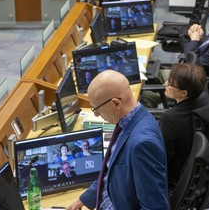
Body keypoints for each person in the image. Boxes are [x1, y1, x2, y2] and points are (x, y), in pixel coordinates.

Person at [67, 70, 169, 210]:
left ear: (116, 104)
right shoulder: (130, 120)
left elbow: (155, 207)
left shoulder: (142, 144)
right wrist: (85, 199)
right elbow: (112, 170)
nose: (96, 115)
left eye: (97, 109)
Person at [141, 5, 209, 107]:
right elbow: (196, 53)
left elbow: (193, 66)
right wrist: (195, 37)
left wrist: (194, 39)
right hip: (191, 75)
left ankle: (151, 118)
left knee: (145, 96)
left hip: (195, 85)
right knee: (150, 74)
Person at [159, 63, 209, 195]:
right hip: (194, 171)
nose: (165, 84)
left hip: (174, 178)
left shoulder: (170, 118)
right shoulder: (205, 97)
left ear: (183, 93)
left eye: (170, 84)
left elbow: (164, 158)